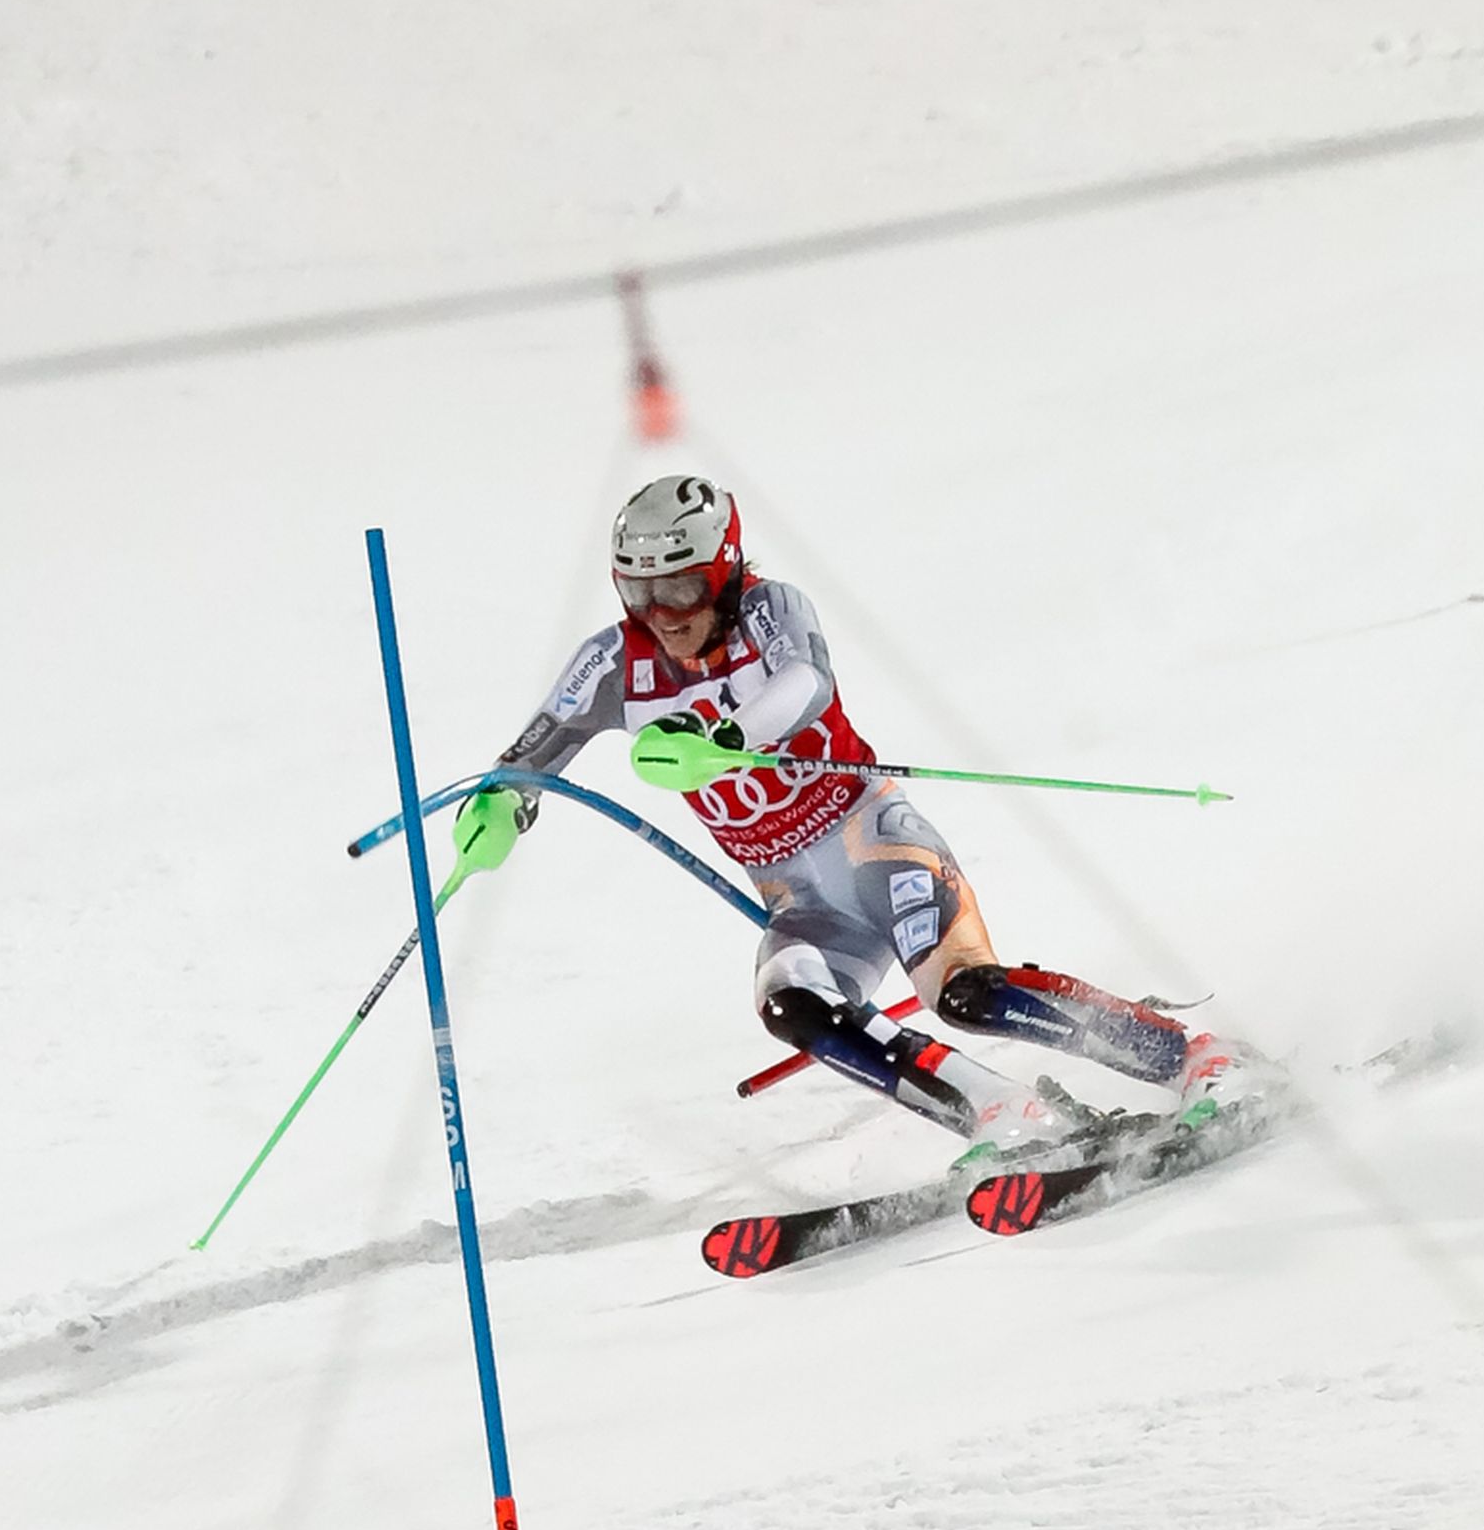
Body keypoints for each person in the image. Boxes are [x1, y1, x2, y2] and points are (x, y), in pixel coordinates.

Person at [450, 474, 1229, 1168]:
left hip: (875, 843)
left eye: (683, 588)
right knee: (790, 1004)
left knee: (964, 994)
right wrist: (499, 803)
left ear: (722, 572)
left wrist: (724, 746)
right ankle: (1005, 1113)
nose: (662, 614)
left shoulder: (768, 610)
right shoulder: (613, 663)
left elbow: (804, 686)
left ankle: (1192, 1054)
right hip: (806, 903)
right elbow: (534, 749)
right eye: (638, 591)